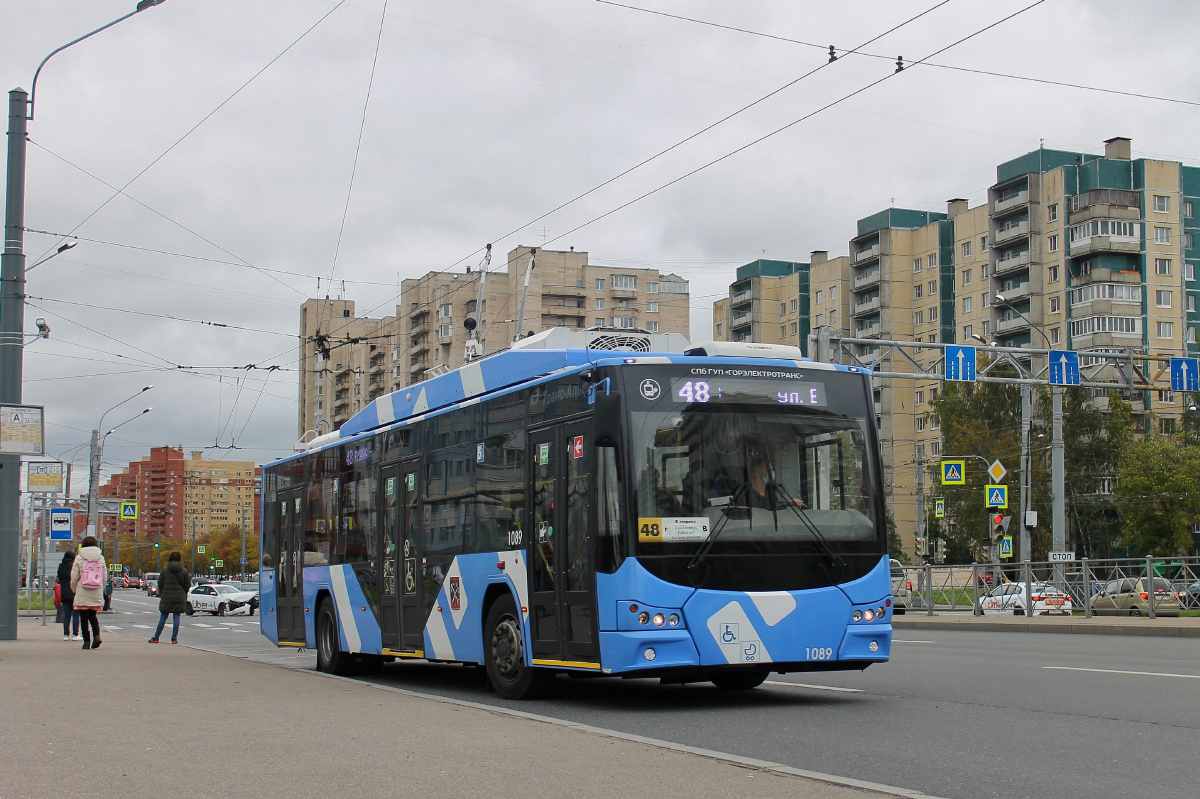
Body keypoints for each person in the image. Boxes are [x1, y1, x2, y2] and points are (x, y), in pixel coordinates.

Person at [70, 537, 107, 650]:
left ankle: (86, 641)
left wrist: (75, 589)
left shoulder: (79, 558)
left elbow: (73, 576)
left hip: (83, 589)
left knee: (84, 617)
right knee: (93, 616)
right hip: (96, 589)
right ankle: (97, 636)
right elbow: (104, 577)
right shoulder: (100, 558)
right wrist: (101, 588)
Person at [151, 551, 189, 644]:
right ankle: (174, 638)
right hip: (179, 597)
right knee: (176, 617)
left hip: (167, 596)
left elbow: (160, 584)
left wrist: (163, 592)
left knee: (163, 617)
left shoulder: (165, 570)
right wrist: (183, 593)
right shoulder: (184, 571)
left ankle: (156, 637)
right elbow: (187, 585)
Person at [56, 550, 80, 641]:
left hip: (64, 592)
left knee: (67, 614)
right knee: (76, 614)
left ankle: (66, 635)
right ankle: (75, 634)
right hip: (74, 592)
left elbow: (59, 578)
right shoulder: (74, 566)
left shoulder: (61, 566)